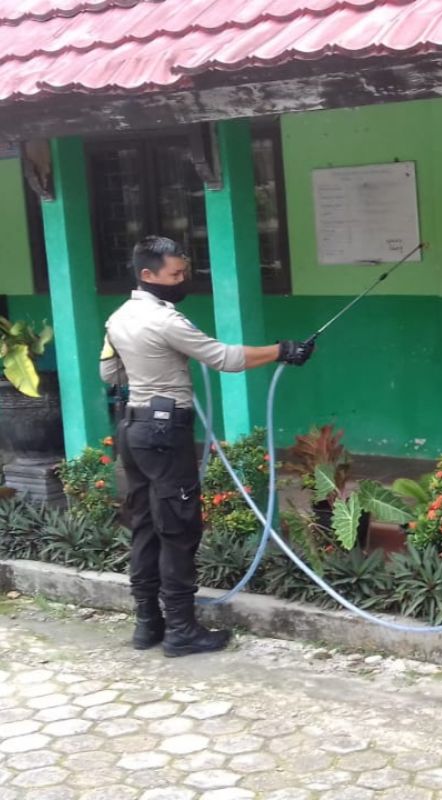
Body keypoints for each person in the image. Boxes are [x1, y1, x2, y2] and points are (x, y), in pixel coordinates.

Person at [99, 236, 315, 657]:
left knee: (144, 525)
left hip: (134, 428)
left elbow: (110, 373)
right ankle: (181, 631)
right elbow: (223, 358)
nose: (182, 281)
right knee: (177, 529)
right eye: (175, 274)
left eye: (183, 272)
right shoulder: (165, 320)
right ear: (148, 274)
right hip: (165, 433)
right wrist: (283, 351)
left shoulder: (117, 318)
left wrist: (148, 375)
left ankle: (148, 625)